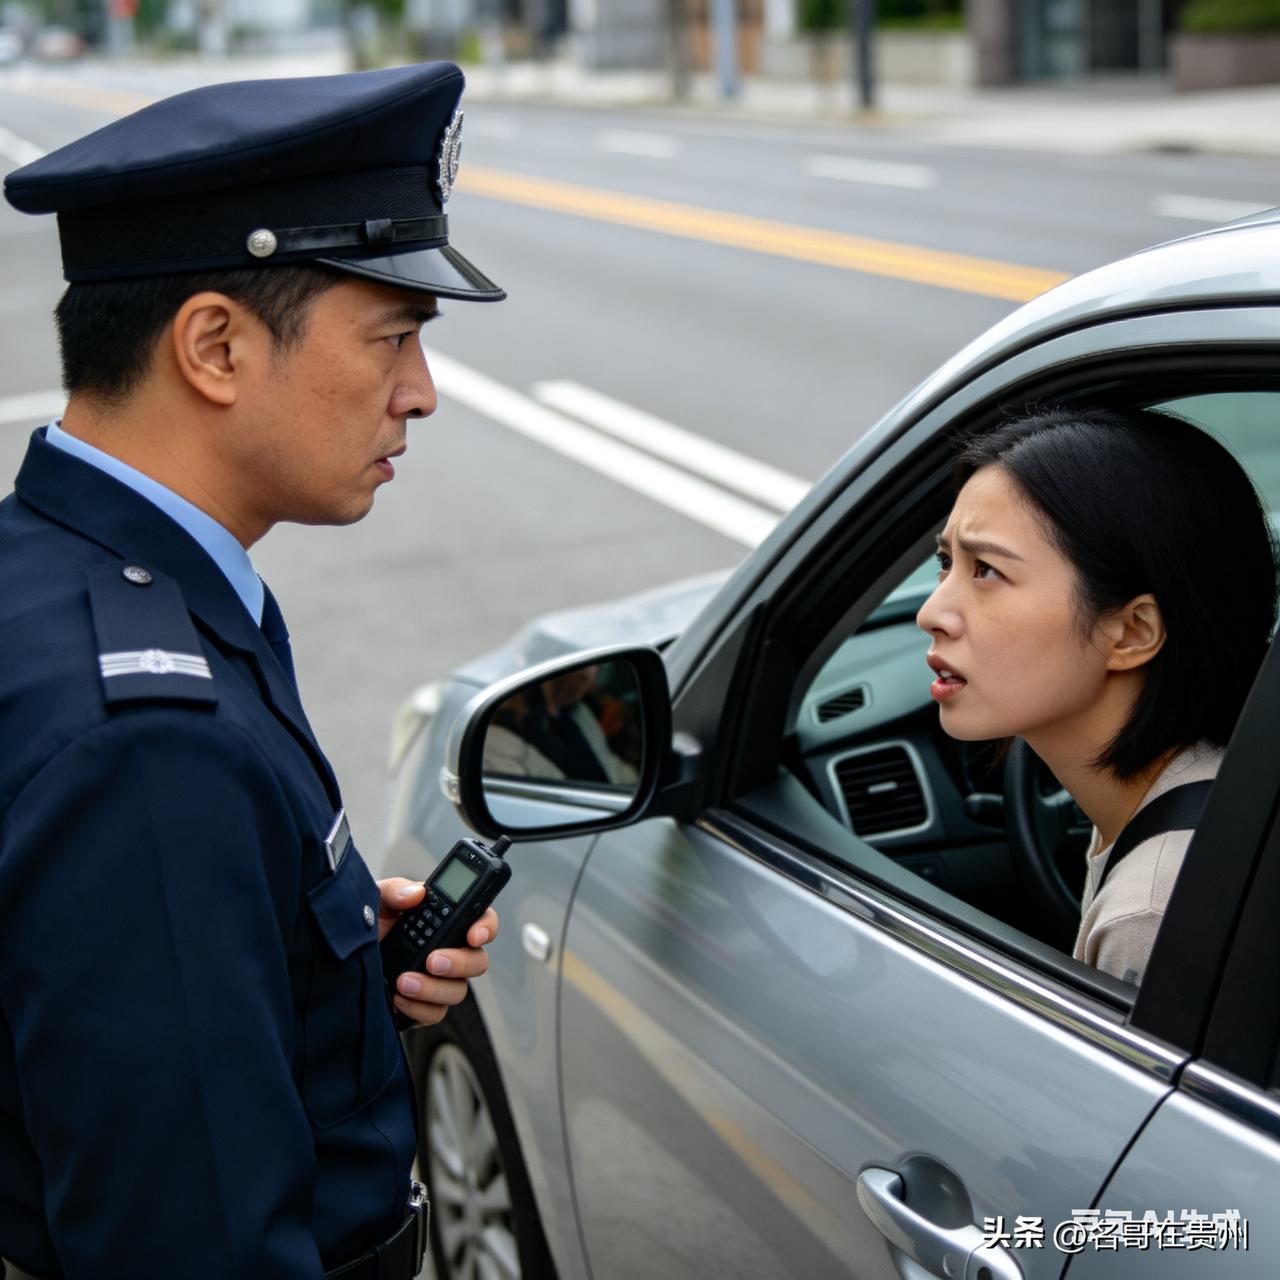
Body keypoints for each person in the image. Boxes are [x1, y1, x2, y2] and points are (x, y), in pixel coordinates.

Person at [0, 64, 506, 1280]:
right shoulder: (149, 742)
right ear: (216, 347)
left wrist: (323, 973)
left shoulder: (54, 569)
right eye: (392, 336)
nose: (420, 393)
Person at [916, 405, 1278, 986]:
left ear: (1132, 632)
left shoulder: (1152, 913)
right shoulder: (1205, 789)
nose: (931, 612)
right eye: (945, 563)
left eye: (986, 570)